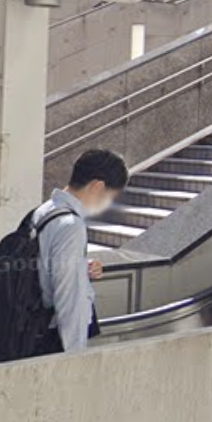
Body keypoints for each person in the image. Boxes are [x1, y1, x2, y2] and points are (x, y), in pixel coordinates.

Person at [34, 149, 128, 356]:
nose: (108, 204)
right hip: (53, 341)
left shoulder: (45, 210)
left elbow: (42, 266)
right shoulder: (70, 225)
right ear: (98, 186)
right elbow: (69, 298)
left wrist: (79, 267)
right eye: (110, 197)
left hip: (31, 330)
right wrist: (75, 359)